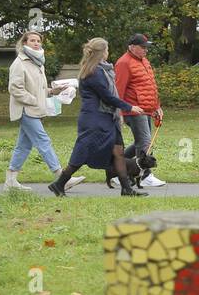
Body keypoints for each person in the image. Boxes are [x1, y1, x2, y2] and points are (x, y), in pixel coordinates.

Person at [48, 38, 146, 197]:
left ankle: (126, 188)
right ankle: (59, 184)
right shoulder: (95, 72)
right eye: (107, 49)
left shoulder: (102, 69)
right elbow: (107, 96)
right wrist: (129, 107)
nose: (108, 52)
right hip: (95, 120)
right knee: (83, 152)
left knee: (118, 151)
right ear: (102, 52)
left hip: (106, 118)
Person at [5, 31, 65, 191]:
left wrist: (53, 91)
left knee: (23, 146)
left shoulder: (38, 63)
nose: (36, 43)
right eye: (32, 40)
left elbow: (39, 89)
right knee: (43, 141)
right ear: (24, 43)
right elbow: (15, 89)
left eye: (38, 41)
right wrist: (33, 100)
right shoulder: (19, 63)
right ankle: (62, 177)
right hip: (26, 109)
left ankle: (11, 180)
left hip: (34, 108)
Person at [113, 33, 167, 187]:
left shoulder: (144, 61)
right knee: (144, 141)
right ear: (132, 47)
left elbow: (150, 86)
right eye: (142, 47)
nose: (145, 50)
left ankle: (118, 170)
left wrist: (157, 106)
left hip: (146, 109)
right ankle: (145, 176)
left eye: (146, 47)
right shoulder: (124, 63)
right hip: (133, 110)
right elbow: (118, 89)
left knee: (141, 141)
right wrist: (120, 112)